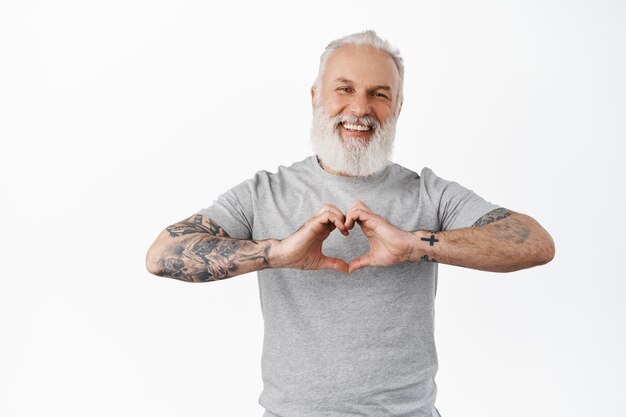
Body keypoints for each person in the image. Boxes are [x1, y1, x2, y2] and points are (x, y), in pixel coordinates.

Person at [146, 30, 555, 417]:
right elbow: (162, 255)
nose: (360, 109)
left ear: (398, 107)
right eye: (345, 89)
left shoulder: (428, 193)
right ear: (314, 97)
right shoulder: (264, 193)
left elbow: (534, 242)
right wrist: (277, 252)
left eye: (379, 94)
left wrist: (416, 245)